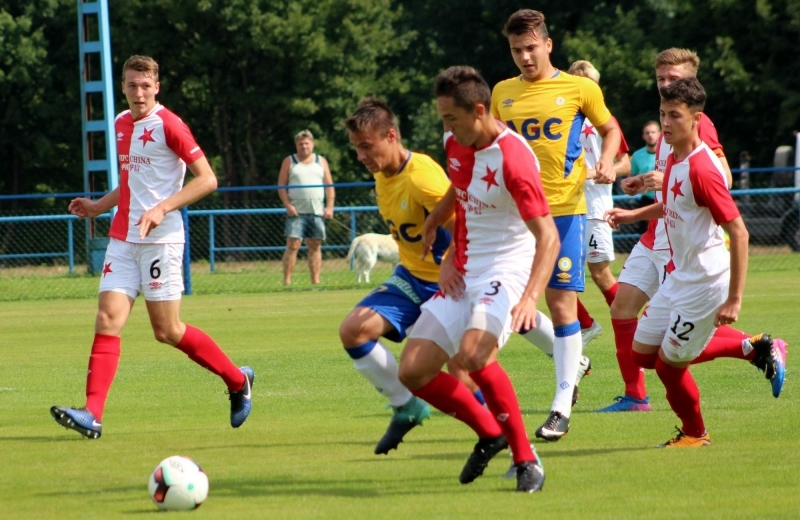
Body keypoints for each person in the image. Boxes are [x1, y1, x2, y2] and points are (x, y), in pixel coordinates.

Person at [51, 55, 253, 439]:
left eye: (145, 86)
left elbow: (208, 180)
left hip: (161, 240)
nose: (138, 92)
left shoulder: (170, 125)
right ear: (123, 88)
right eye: (131, 85)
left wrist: (163, 207)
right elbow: (131, 183)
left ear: (156, 87)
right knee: (108, 318)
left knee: (167, 331)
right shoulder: (120, 123)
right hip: (123, 239)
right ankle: (92, 414)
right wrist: (98, 206)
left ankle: (237, 380)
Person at [599, 48, 787, 413]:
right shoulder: (668, 121)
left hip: (684, 249)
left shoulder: (696, 124)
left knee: (670, 353)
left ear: (692, 82)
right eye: (661, 79)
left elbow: (723, 179)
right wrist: (639, 198)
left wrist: (670, 180)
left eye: (675, 78)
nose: (666, 84)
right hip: (657, 234)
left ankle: (749, 349)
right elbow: (673, 186)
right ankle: (636, 394)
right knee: (626, 315)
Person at [399, 65, 559, 492]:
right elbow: (460, 186)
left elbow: (548, 236)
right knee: (412, 371)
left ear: (479, 110)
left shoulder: (515, 157)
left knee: (473, 354)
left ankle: (528, 461)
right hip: (463, 270)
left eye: (451, 118)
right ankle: (490, 433)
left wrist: (529, 298)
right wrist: (439, 227)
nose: (446, 128)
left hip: (505, 272)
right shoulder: (456, 141)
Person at [492, 9, 622, 441]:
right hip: (515, 217)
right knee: (508, 305)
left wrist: (605, 159)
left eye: (531, 48)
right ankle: (573, 359)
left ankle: (560, 406)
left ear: (548, 45)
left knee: (561, 305)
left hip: (565, 212)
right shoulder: (502, 94)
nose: (525, 57)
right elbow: (493, 148)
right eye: (516, 50)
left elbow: (611, 129)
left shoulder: (579, 87)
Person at [338, 98, 452, 455]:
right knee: (353, 330)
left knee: (466, 370)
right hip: (412, 279)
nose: (361, 156)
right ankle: (406, 406)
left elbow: (464, 224)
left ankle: (512, 443)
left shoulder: (422, 176)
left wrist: (453, 266)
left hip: (450, 285)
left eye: (366, 147)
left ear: (391, 136)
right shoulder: (381, 176)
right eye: (356, 148)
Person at [567, 60, 631, 350]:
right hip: (566, 204)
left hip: (595, 208)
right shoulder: (561, 119)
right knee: (555, 272)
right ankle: (585, 324)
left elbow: (625, 162)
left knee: (600, 274)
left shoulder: (605, 122)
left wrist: (605, 170)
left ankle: (632, 326)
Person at [277, 130, 335, 285]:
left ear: (312, 144)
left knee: (315, 245)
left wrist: (330, 207)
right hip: (296, 212)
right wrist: (288, 205)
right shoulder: (289, 161)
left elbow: (329, 186)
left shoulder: (321, 161)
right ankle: (287, 281)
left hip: (317, 211)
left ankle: (315, 281)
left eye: (306, 143)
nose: (304, 146)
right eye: (301, 144)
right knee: (293, 244)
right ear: (296, 145)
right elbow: (281, 186)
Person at [629, 121, 661, 206]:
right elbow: (631, 177)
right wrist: (638, 188)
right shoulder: (637, 155)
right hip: (646, 200)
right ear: (643, 136)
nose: (650, 135)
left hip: (666, 198)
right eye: (647, 133)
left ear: (659, 134)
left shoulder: (670, 152)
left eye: (653, 132)